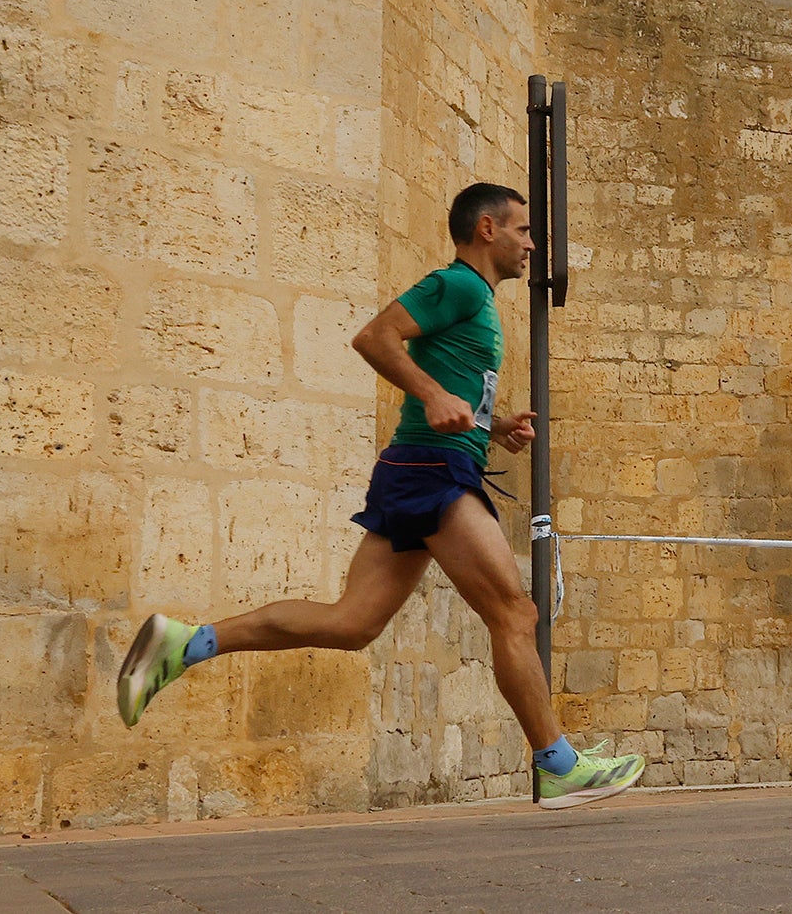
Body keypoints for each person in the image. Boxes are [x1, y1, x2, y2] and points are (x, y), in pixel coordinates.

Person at [116, 183, 646, 809]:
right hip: (433, 469)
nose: (532, 243)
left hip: (422, 464)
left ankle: (185, 642)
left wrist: (490, 423)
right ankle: (558, 765)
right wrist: (430, 395)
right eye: (523, 230)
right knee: (515, 612)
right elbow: (375, 337)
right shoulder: (459, 286)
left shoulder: (473, 299)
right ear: (486, 229)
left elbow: (449, 384)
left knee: (352, 623)